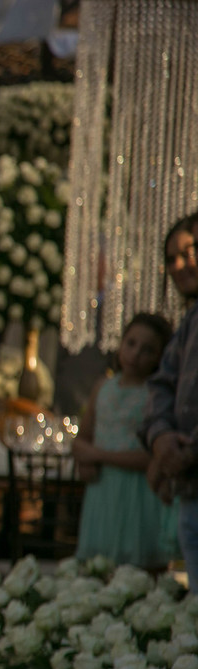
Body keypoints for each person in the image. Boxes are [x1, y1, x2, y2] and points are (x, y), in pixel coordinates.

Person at [75, 312, 178, 568]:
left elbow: (153, 455)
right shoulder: (103, 387)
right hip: (103, 491)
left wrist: (98, 455)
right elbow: (82, 438)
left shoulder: (156, 395)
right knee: (98, 568)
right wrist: (83, 458)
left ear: (160, 357)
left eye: (147, 350)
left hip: (138, 493)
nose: (135, 354)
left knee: (139, 569)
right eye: (131, 343)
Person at [143, 212, 198, 592]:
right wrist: (161, 439)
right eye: (171, 259)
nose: (179, 266)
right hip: (190, 492)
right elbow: (162, 385)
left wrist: (188, 451)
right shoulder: (189, 323)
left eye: (189, 252)